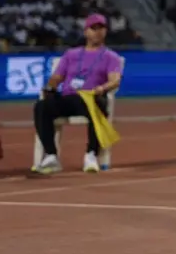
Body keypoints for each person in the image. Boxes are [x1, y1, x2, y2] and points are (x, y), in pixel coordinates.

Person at [31, 14, 125, 174]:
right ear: (86, 32)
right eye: (93, 28)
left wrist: (101, 88)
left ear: (105, 32)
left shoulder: (111, 57)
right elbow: (57, 77)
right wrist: (49, 87)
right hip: (69, 97)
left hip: (90, 97)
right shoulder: (71, 54)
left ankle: (91, 154)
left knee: (98, 105)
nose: (97, 32)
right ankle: (51, 155)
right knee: (41, 106)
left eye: (101, 28)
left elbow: (115, 80)